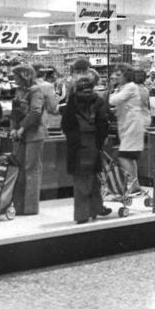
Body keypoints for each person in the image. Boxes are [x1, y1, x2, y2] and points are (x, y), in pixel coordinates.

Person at [60, 71, 111, 224]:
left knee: (81, 178)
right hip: (93, 142)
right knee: (93, 175)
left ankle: (82, 214)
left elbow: (66, 124)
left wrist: (72, 137)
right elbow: (103, 123)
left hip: (78, 144)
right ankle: (95, 208)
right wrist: (100, 142)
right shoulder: (99, 101)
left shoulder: (73, 101)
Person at [10, 64, 48, 215]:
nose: (14, 79)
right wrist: (13, 128)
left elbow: (35, 112)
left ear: (24, 75)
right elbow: (14, 112)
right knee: (18, 169)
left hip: (33, 135)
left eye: (16, 76)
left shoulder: (36, 91)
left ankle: (30, 208)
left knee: (31, 170)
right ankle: (18, 206)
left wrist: (21, 128)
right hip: (20, 135)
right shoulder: (19, 91)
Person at [107, 63, 145, 195]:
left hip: (132, 125)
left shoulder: (130, 87)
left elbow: (113, 100)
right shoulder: (123, 87)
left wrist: (110, 89)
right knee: (130, 156)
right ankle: (135, 185)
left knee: (123, 156)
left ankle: (132, 183)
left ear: (126, 75)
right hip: (127, 125)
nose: (115, 76)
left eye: (118, 75)